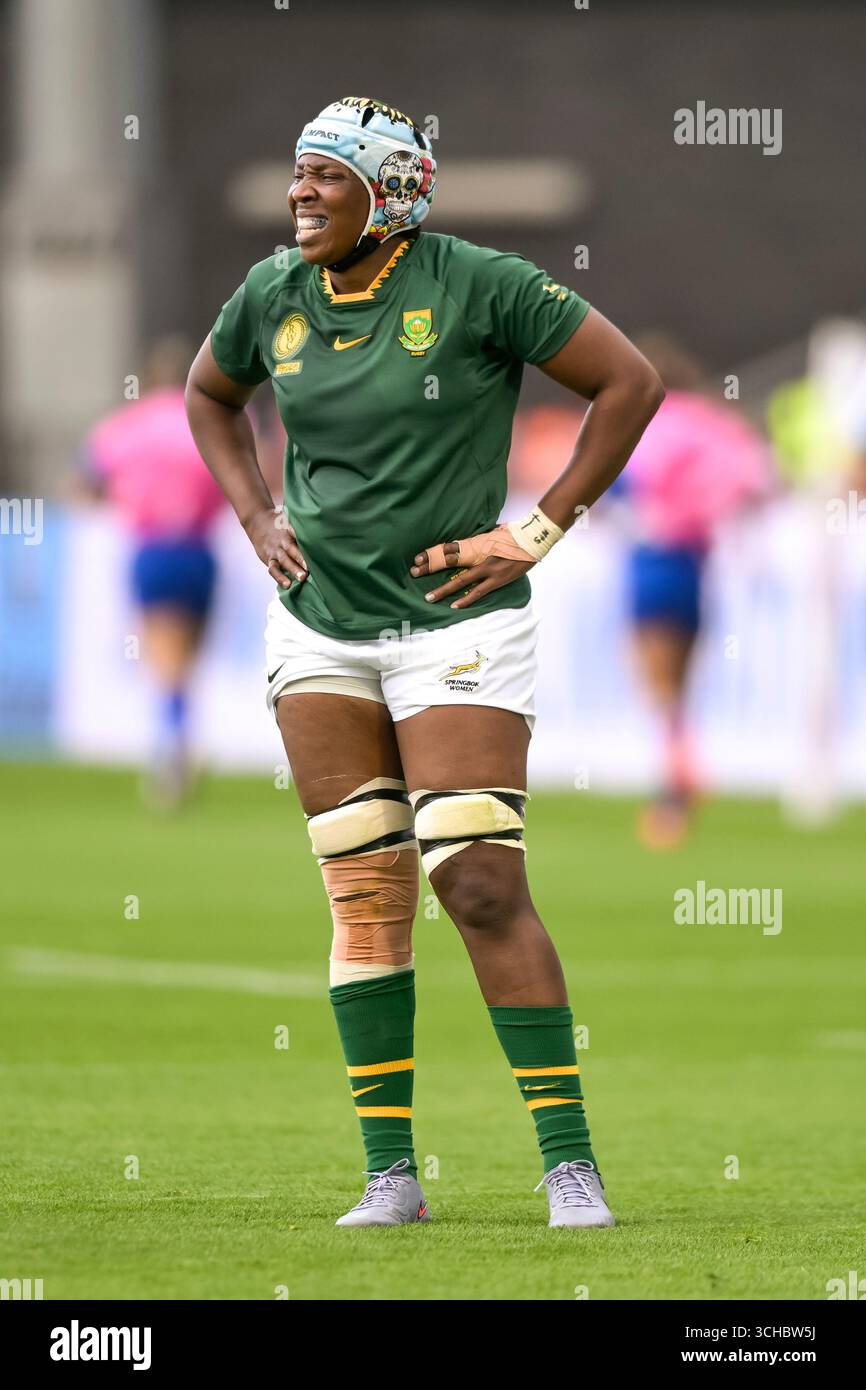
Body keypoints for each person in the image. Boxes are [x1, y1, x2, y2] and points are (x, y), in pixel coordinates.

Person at [185, 96, 663, 1229]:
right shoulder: (272, 294)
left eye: (324, 176)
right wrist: (255, 516)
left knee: (479, 880)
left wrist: (533, 531)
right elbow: (209, 396)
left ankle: (566, 1164)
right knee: (364, 889)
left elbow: (627, 382)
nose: (298, 194)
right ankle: (390, 1176)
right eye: (296, 174)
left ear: (390, 192)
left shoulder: (479, 283)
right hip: (317, 632)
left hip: (456, 624)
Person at [614, 333, 770, 847]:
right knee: (681, 684)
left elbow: (619, 484)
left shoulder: (644, 424)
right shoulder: (714, 424)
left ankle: (675, 789)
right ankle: (680, 778)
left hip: (653, 559)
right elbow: (754, 482)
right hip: (695, 562)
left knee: (657, 685)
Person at [78, 336, 226, 806]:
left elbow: (87, 478)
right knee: (188, 659)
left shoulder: (127, 425)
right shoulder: (205, 422)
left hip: (153, 550)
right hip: (198, 551)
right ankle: (181, 739)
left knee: (165, 661)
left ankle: (172, 753)